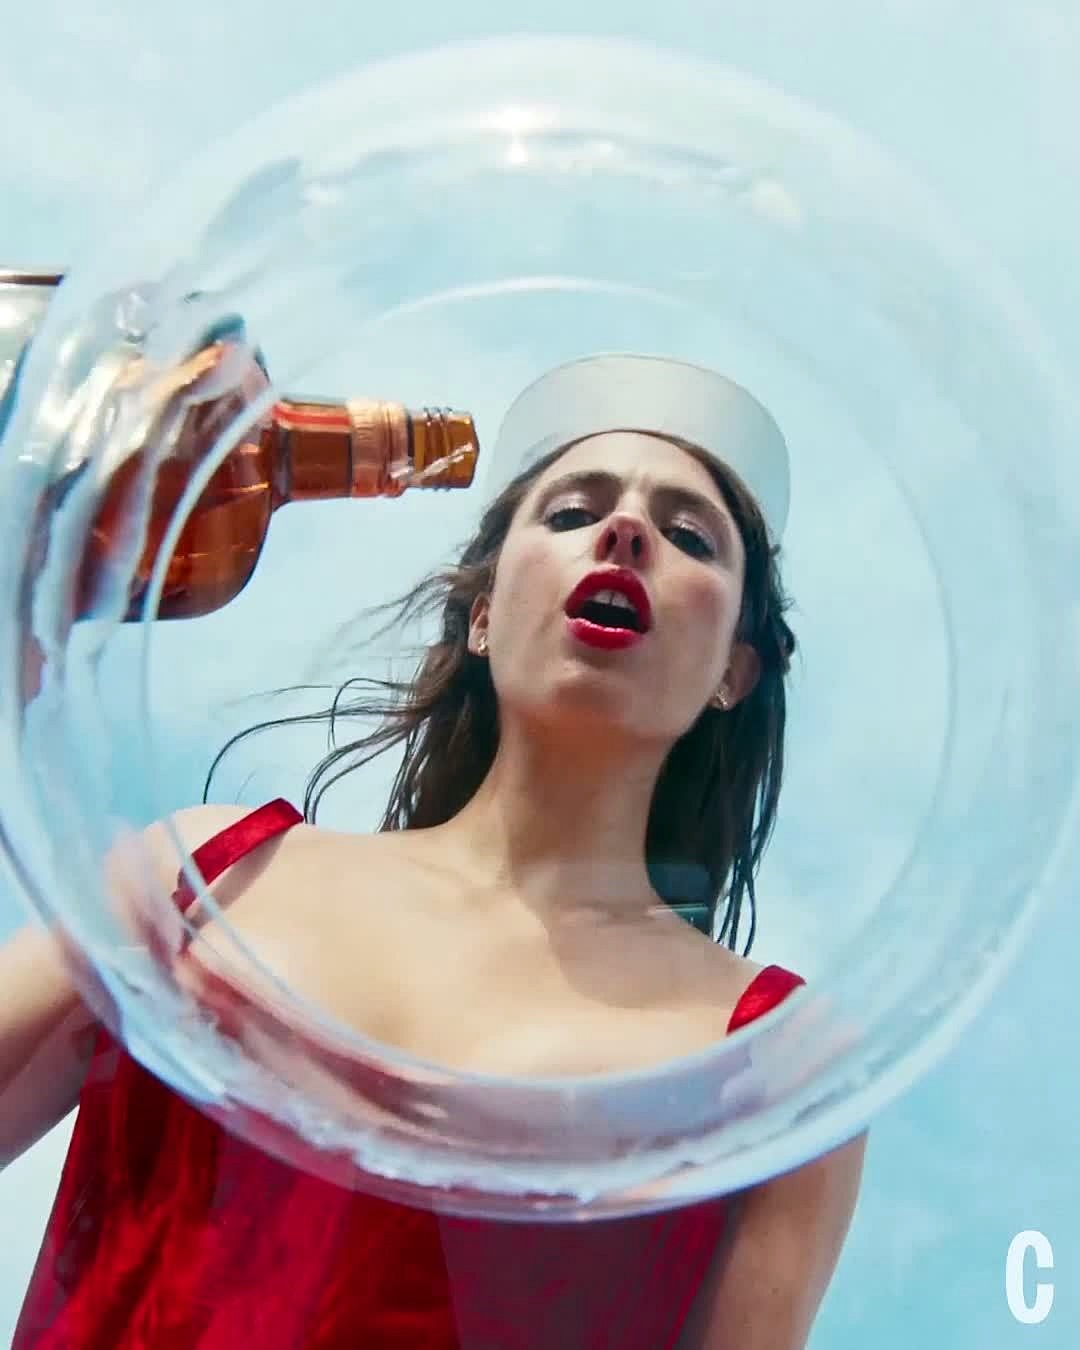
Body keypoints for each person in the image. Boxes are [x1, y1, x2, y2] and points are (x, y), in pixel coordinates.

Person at [1, 355, 866, 1348]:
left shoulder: (777, 1063)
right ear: (484, 616)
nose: (625, 531)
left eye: (689, 536)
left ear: (734, 673)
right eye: (572, 512)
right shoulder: (207, 875)